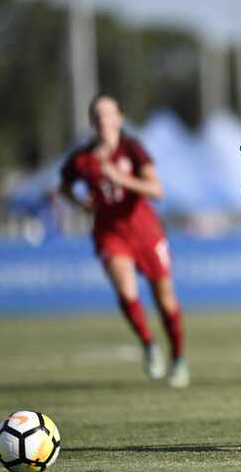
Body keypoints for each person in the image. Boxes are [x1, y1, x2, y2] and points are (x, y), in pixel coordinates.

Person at [59, 94, 189, 388]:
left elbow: (156, 190)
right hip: (110, 232)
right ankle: (148, 344)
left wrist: (119, 178)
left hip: (145, 230)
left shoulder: (132, 149)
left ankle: (178, 359)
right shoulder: (82, 159)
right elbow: (63, 187)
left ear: (119, 118)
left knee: (165, 300)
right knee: (127, 292)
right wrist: (82, 204)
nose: (103, 120)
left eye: (108, 114)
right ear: (92, 122)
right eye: (97, 115)